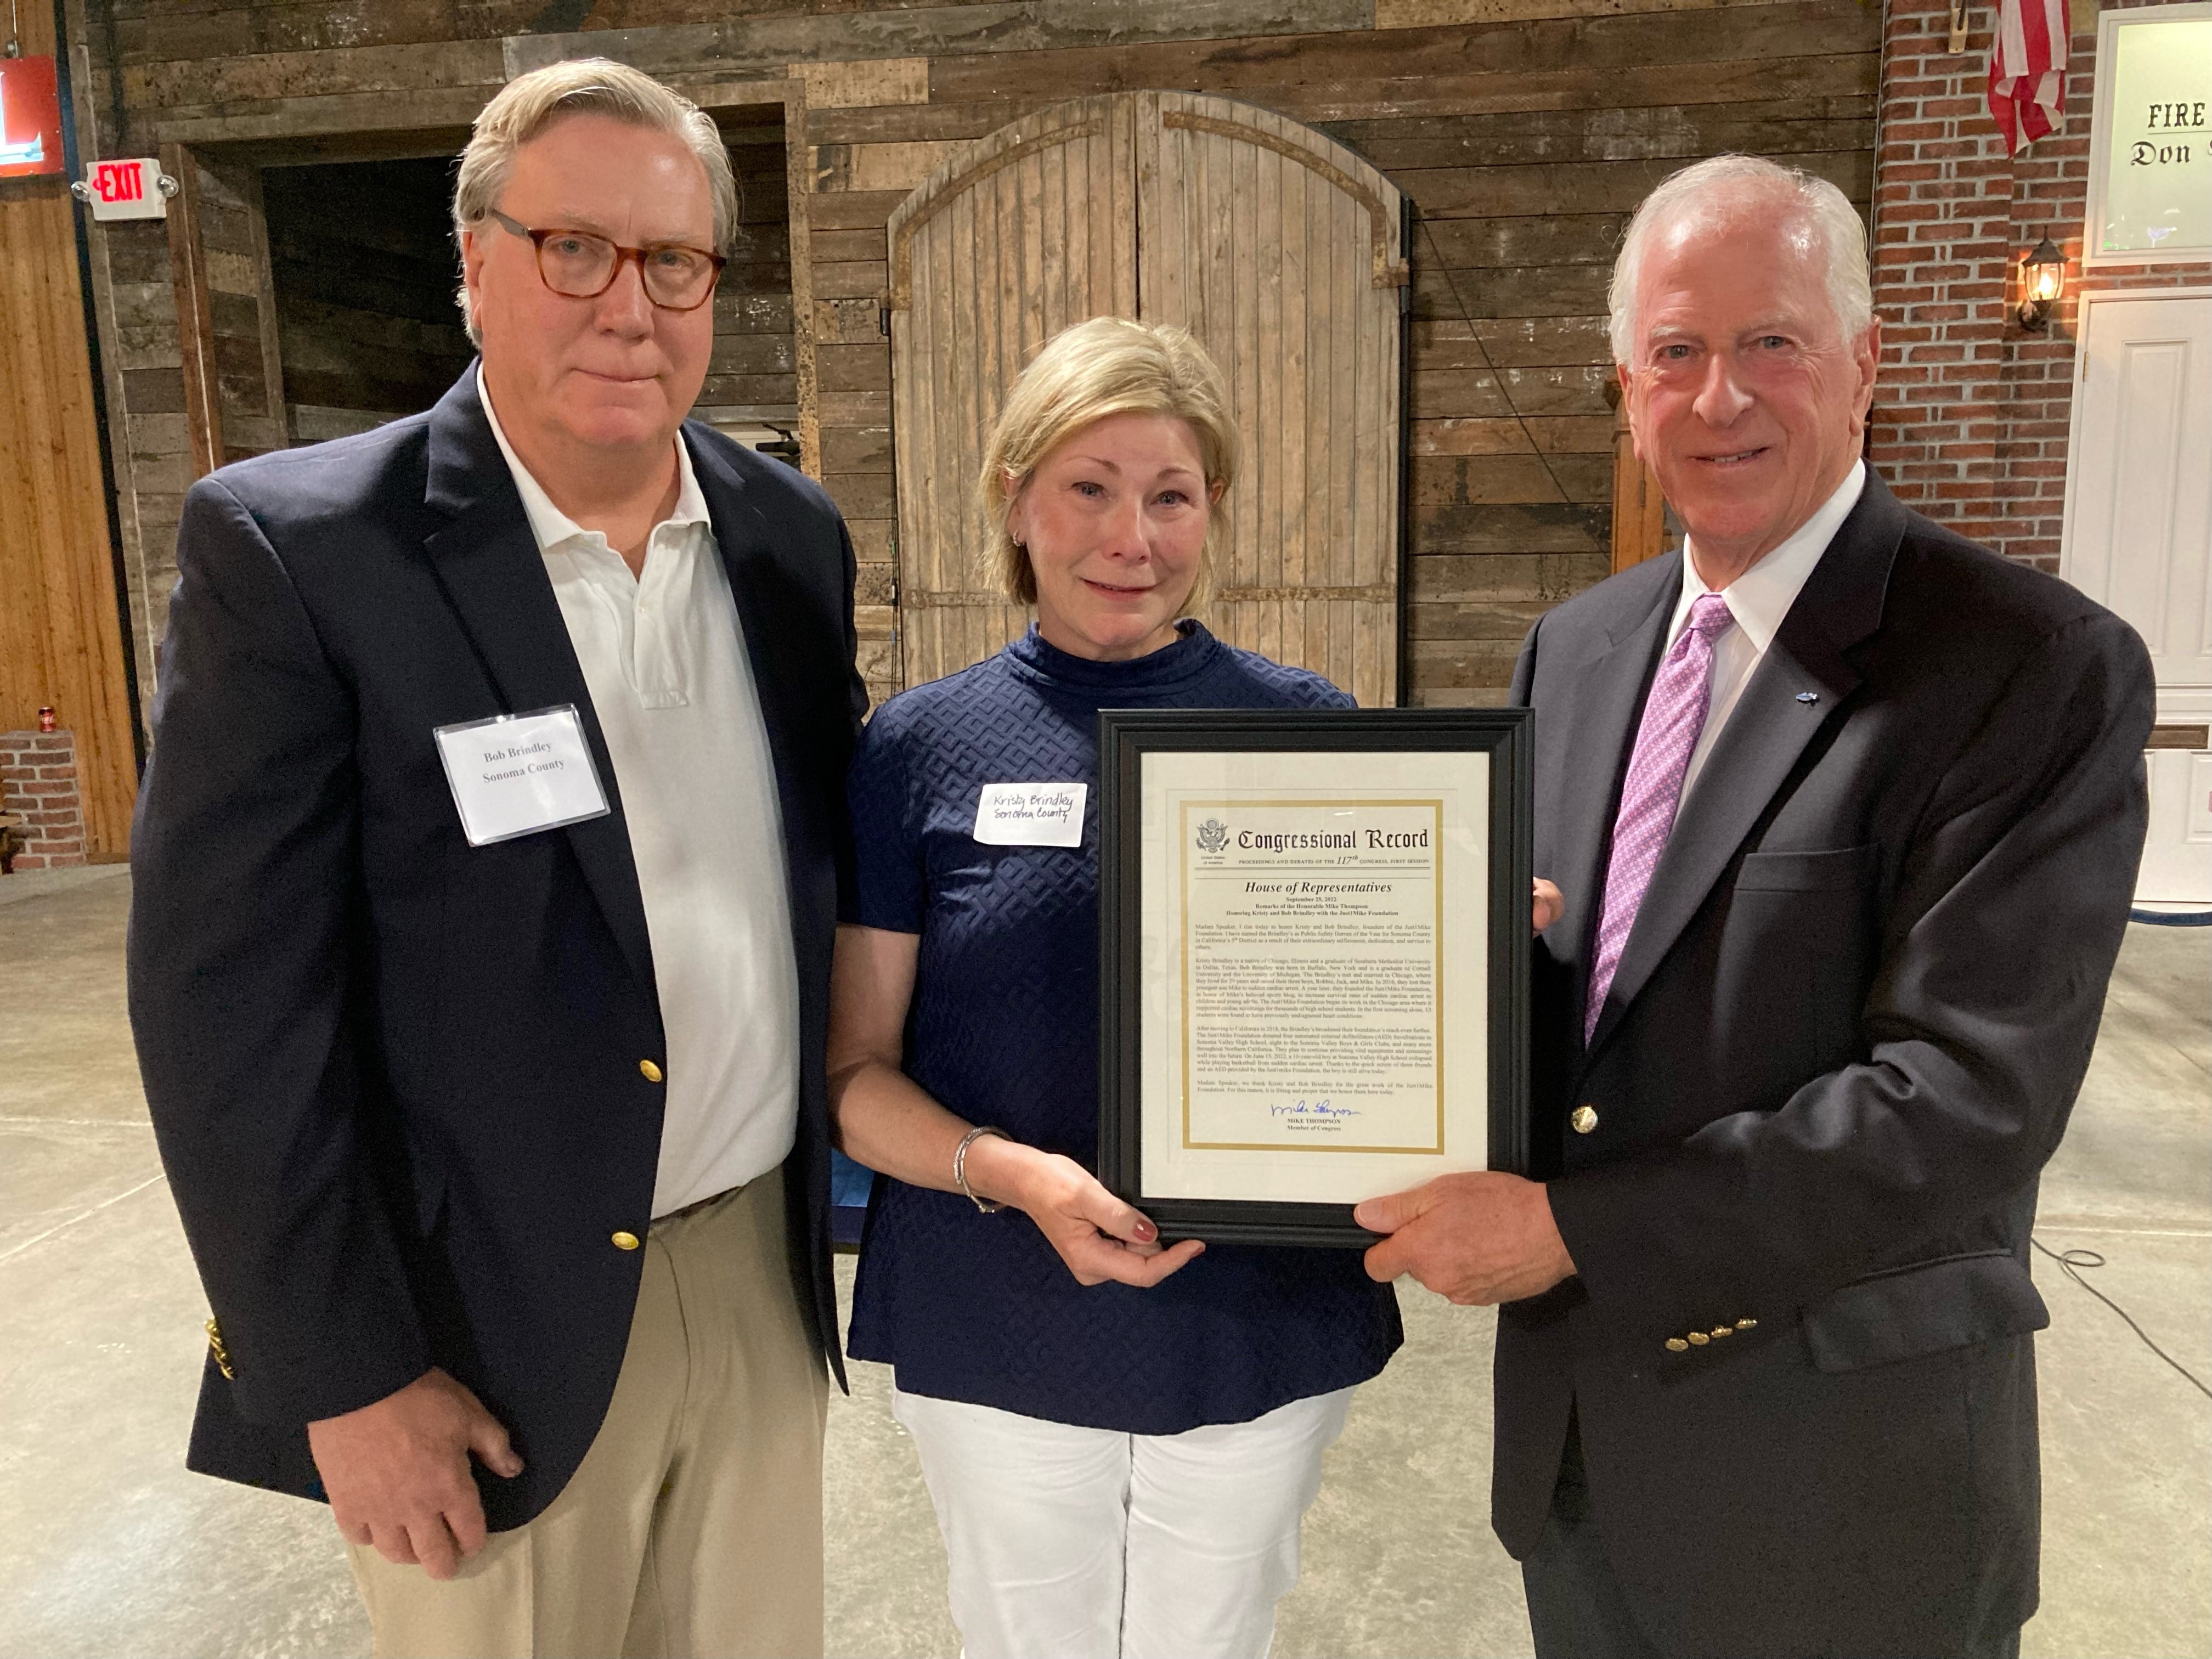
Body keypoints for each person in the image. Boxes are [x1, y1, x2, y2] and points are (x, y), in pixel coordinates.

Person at [1354, 154, 2154, 1659]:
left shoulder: (2027, 667)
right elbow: (1588, 1014)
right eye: (1677, 350)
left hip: (1842, 1485)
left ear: (1864, 364)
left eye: (1771, 341)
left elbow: (1963, 1100)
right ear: (1626, 387)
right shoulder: (1574, 653)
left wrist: (1572, 1234)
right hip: (1584, 1459)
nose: (1721, 396)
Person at [127, 59, 862, 1658]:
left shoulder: (788, 539)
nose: (630, 306)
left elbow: (840, 879)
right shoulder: (305, 555)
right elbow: (226, 1011)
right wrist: (341, 1377)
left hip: (756, 1274)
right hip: (474, 1325)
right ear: (475, 263)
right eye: (574, 249)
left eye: (674, 261)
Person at [826, 316, 1402, 1659]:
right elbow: (855, 1075)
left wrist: (1463, 959)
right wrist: (1016, 1176)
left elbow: (1372, 1031)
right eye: (1088, 488)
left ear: (1214, 512)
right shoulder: (919, 748)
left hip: (1250, 1307)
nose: (1130, 538)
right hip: (998, 1298)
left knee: (1215, 1637)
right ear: (1016, 500)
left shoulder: (1305, 728)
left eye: (1171, 495)